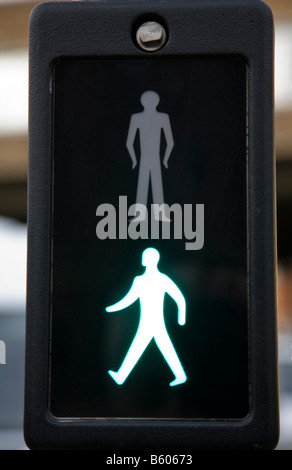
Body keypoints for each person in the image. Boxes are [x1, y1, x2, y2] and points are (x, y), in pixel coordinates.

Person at [106, 247, 187, 386]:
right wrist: (113, 308)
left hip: (155, 324)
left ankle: (121, 376)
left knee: (153, 348)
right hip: (146, 324)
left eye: (146, 257)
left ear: (148, 260)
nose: (144, 259)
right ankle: (121, 375)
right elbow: (128, 300)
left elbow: (179, 298)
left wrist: (182, 317)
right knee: (144, 348)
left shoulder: (162, 279)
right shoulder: (140, 280)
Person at [126, 91, 174, 221]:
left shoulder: (137, 118)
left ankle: (141, 215)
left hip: (144, 158)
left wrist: (134, 160)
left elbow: (129, 143)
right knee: (156, 184)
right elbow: (170, 142)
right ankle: (160, 215)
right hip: (155, 158)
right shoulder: (162, 117)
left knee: (143, 184)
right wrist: (165, 159)